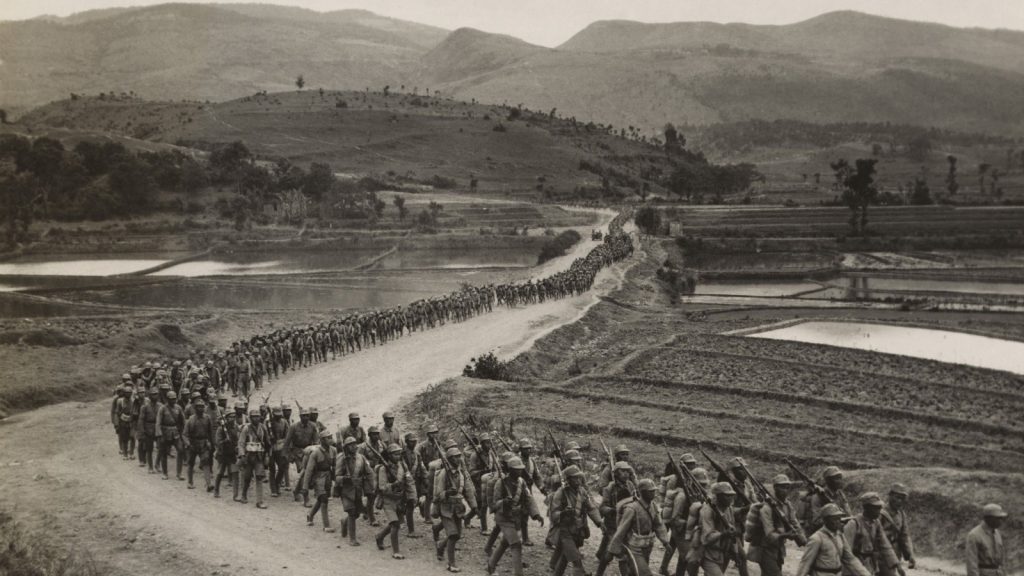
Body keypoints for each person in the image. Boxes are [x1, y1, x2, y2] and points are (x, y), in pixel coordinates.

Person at [486, 456, 544, 576]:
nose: (520, 471)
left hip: (514, 518)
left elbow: (529, 499)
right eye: (516, 469)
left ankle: (491, 565)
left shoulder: (521, 482)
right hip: (503, 517)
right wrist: (504, 502)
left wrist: (536, 514)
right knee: (516, 544)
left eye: (521, 469)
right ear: (510, 470)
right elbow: (494, 503)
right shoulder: (500, 483)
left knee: (505, 542)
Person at [549, 464, 604, 576]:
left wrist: (599, 522)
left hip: (578, 531)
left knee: (565, 557)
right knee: (576, 560)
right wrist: (563, 513)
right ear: (568, 480)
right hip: (565, 532)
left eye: (579, 477)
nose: (578, 480)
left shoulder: (582, 492)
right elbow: (553, 514)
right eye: (574, 478)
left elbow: (591, 508)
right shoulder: (561, 493)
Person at [749, 474, 808, 576]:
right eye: (782, 487)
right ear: (775, 488)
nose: (785, 490)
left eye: (787, 487)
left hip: (778, 548)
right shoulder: (766, 507)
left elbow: (794, 522)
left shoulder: (787, 505)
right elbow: (769, 534)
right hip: (764, 548)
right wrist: (786, 535)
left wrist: (802, 538)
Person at [609, 478, 670, 576]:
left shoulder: (653, 506)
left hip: (647, 545)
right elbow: (621, 530)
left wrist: (665, 542)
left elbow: (658, 525)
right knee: (645, 573)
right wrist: (614, 549)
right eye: (650, 492)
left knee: (635, 572)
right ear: (643, 492)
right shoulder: (632, 509)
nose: (653, 494)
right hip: (634, 548)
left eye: (654, 491)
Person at [434, 446, 477, 573]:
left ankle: (440, 546)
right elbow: (437, 494)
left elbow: (468, 491)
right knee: (452, 535)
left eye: (459, 456)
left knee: (457, 535)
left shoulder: (462, 473)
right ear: (449, 459)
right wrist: (447, 493)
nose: (458, 459)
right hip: (445, 508)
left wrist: (474, 507)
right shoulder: (443, 474)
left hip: (458, 508)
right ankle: (451, 563)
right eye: (455, 457)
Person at [796, 504, 871, 576]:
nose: (838, 521)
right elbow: (805, 564)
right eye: (834, 519)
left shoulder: (840, 536)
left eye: (839, 518)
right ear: (826, 520)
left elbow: (850, 559)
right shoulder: (817, 538)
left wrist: (865, 574)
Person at [374, 444, 417, 560]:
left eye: (399, 453)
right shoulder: (383, 469)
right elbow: (382, 487)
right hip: (388, 500)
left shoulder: (403, 466)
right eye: (395, 454)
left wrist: (413, 496)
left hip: (400, 499)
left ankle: (380, 536)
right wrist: (393, 485)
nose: (398, 456)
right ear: (389, 455)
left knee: (396, 523)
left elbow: (409, 482)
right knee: (395, 524)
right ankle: (396, 551)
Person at [844, 492, 902, 576]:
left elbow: (885, 545)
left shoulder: (876, 523)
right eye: (876, 508)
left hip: (869, 564)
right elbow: (846, 551)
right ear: (866, 508)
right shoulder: (853, 524)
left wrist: (896, 564)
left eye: (880, 508)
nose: (879, 511)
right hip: (855, 566)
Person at [597, 462, 637, 576]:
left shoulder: (631, 486)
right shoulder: (609, 488)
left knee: (612, 554)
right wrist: (613, 510)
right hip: (612, 525)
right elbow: (602, 508)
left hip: (626, 524)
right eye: (622, 471)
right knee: (620, 554)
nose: (626, 474)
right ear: (616, 473)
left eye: (627, 471)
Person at [700, 482, 746, 576]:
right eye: (727, 496)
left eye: (732, 495)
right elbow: (707, 538)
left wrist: (735, 553)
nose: (731, 498)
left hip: (723, 552)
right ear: (718, 496)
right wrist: (723, 534)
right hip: (708, 553)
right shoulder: (708, 510)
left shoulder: (728, 509)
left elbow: (732, 533)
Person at [336, 436, 373, 546]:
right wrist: (344, 478)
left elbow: (369, 472)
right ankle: (352, 539)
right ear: (346, 447)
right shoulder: (341, 458)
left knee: (357, 513)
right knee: (352, 512)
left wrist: (372, 486)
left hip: (357, 489)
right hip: (346, 490)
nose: (354, 446)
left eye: (355, 444)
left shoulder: (361, 458)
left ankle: (344, 522)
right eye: (351, 445)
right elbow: (337, 477)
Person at [303, 429, 337, 532]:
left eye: (331, 437)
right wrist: (305, 486)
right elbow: (308, 470)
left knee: (322, 498)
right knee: (323, 499)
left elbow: (335, 466)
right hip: (318, 477)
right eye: (328, 438)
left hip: (328, 477)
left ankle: (310, 514)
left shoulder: (333, 450)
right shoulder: (315, 453)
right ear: (322, 440)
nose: (330, 440)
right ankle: (326, 525)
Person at [237, 408, 270, 508]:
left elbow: (267, 442)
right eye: (254, 417)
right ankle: (243, 494)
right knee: (247, 477)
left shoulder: (263, 428)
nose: (256, 419)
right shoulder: (246, 428)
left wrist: (267, 456)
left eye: (257, 416)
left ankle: (259, 501)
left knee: (259, 477)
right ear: (250, 418)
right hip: (248, 456)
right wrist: (242, 455)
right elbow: (241, 443)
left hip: (259, 456)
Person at [286, 407, 319, 506]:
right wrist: (288, 455)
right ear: (300, 416)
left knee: (305, 474)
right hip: (297, 452)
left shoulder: (313, 426)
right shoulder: (294, 427)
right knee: (304, 473)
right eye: (303, 416)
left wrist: (315, 450)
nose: (306, 417)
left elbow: (316, 440)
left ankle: (297, 491)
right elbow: (287, 442)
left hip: (309, 451)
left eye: (307, 416)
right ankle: (306, 498)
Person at [182, 397, 215, 492]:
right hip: (192, 443)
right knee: (191, 463)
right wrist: (188, 444)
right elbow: (184, 434)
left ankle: (208, 484)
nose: (201, 408)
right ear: (195, 408)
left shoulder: (207, 418)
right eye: (198, 407)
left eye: (202, 407)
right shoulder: (191, 420)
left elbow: (210, 432)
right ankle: (190, 482)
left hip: (203, 444)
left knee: (206, 463)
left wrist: (211, 443)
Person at [966, 503, 1008, 576]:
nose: (1001, 521)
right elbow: (971, 563)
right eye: (998, 518)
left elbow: (1002, 561)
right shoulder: (974, 535)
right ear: (989, 519)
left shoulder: (997, 533)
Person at [880, 484, 915, 570]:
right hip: (881, 552)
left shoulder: (901, 514)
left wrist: (910, 555)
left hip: (895, 551)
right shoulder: (880, 512)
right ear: (890, 496)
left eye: (902, 499)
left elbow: (904, 535)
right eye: (897, 497)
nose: (900, 501)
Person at [214, 401, 244, 500]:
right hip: (223, 454)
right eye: (230, 417)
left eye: (233, 417)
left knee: (235, 473)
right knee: (220, 473)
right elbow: (217, 442)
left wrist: (237, 447)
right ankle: (216, 490)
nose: (232, 418)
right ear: (226, 418)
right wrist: (224, 441)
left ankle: (235, 495)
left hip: (232, 454)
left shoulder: (235, 427)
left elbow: (238, 439)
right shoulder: (221, 429)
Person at [809, 467, 852, 533]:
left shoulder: (840, 494)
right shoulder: (818, 496)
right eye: (836, 478)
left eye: (840, 477)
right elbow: (816, 521)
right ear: (828, 480)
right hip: (823, 531)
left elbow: (848, 514)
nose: (840, 481)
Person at [155, 390, 184, 481]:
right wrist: (159, 434)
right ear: (167, 399)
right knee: (164, 453)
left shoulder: (178, 408)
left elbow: (182, 421)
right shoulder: (162, 408)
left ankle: (179, 473)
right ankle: (165, 473)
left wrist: (183, 432)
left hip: (175, 433)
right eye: (171, 399)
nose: (173, 401)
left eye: (174, 399)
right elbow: (158, 422)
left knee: (181, 450)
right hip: (165, 433)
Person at [401, 433, 425, 538]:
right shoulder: (402, 454)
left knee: (412, 503)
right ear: (406, 442)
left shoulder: (417, 454)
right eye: (411, 441)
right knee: (409, 504)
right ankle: (411, 531)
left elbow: (422, 467)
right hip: (404, 482)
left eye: (415, 441)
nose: (414, 443)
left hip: (416, 481)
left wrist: (426, 479)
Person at [268, 406, 289, 497]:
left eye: (280, 415)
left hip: (280, 446)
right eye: (276, 415)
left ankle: (277, 484)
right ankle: (273, 489)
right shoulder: (268, 423)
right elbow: (265, 434)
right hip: (270, 447)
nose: (278, 417)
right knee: (272, 469)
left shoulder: (284, 422)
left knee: (282, 467)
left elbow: (287, 435)